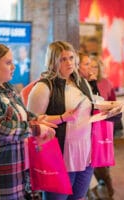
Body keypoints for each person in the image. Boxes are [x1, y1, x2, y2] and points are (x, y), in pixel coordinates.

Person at [0, 43, 56, 200]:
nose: (13, 66)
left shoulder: (7, 87)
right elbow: (0, 129)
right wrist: (36, 128)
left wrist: (37, 119)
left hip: (16, 171)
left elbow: (22, 113)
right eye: (8, 63)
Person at [27, 41, 95, 200]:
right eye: (63, 59)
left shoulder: (81, 82)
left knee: (79, 197)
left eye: (71, 57)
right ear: (52, 62)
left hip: (85, 152)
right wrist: (62, 118)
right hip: (59, 155)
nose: (69, 62)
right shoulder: (43, 87)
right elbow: (31, 122)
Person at [78, 52, 116, 198]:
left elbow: (110, 101)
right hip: (87, 128)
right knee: (90, 162)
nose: (92, 69)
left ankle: (108, 186)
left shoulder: (105, 82)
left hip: (103, 125)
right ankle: (92, 190)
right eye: (88, 65)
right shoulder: (81, 83)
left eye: (94, 66)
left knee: (103, 159)